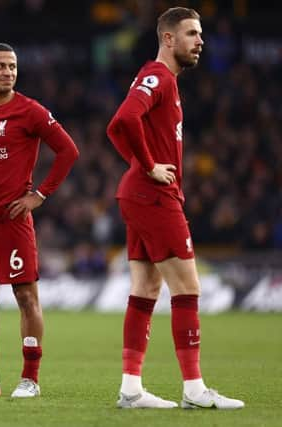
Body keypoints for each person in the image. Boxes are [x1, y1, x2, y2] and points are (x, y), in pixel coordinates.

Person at [106, 7, 244, 409]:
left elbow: (118, 127)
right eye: (191, 33)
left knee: (146, 288)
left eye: (200, 34)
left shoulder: (163, 79)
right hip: (153, 196)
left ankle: (131, 389)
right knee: (188, 288)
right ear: (168, 38)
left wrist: (138, 165)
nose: (200, 40)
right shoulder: (158, 76)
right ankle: (194, 390)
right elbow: (124, 118)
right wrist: (148, 167)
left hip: (138, 194)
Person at [0, 43, 79, 398]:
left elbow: (68, 151)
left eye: (13, 67)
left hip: (13, 219)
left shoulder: (31, 112)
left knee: (25, 296)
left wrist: (40, 194)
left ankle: (30, 379)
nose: (8, 72)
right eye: (1, 66)